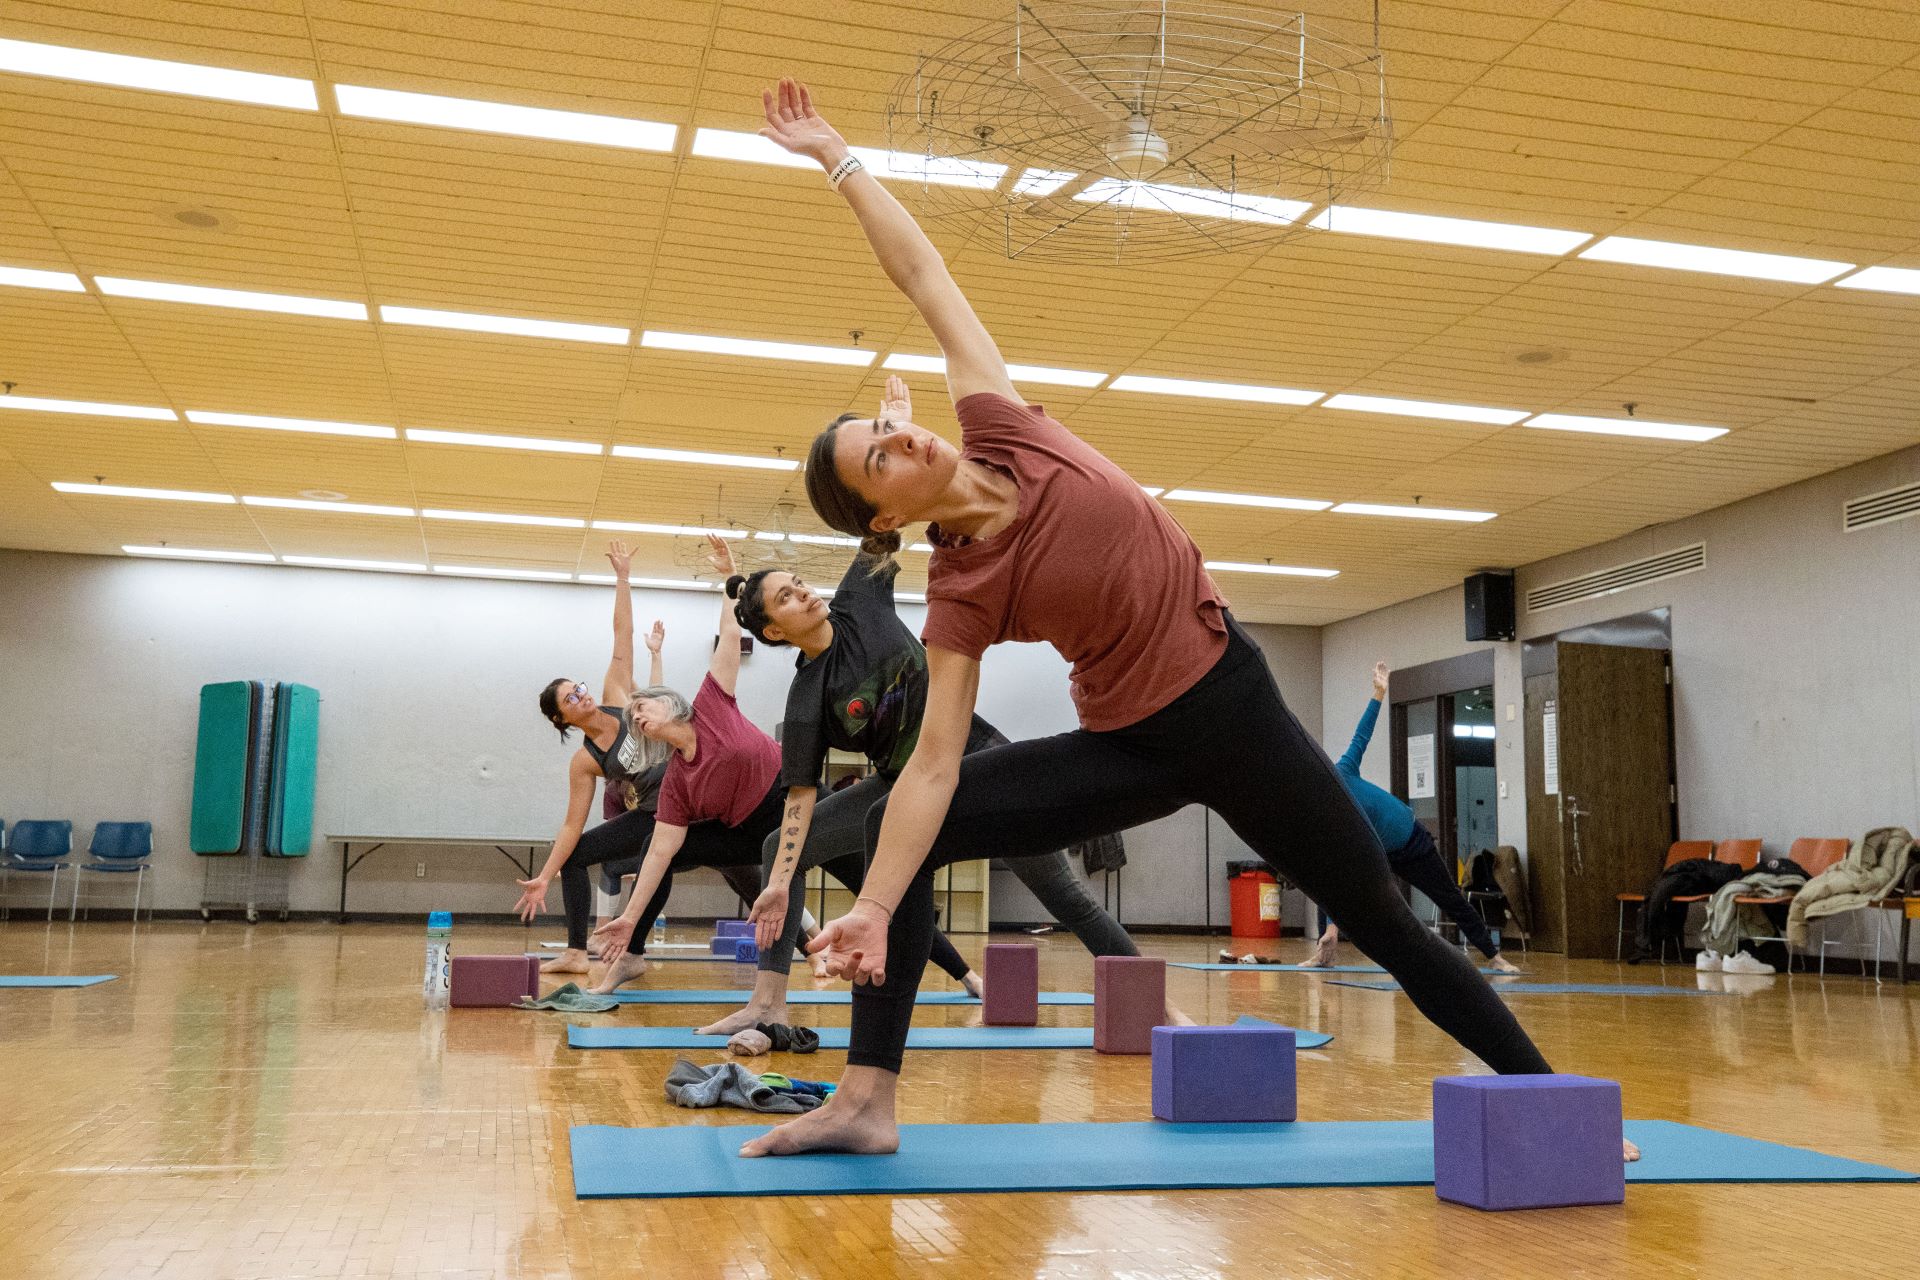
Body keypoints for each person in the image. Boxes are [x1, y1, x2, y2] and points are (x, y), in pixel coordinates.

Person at [737, 79, 1633, 1164]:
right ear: (884, 513)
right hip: (1133, 744)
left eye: (889, 436)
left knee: (1388, 922)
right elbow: (929, 768)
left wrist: (839, 157)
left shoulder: (1001, 422)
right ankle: (869, 1098)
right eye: (881, 462)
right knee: (893, 826)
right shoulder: (964, 592)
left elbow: (925, 276)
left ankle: (1551, 1102)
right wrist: (876, 904)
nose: (908, 448)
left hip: (1237, 706)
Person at [699, 378, 1148, 1038]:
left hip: (982, 763)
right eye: (788, 599)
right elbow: (798, 800)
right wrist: (781, 878)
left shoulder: (861, 601)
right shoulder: (807, 698)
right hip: (905, 786)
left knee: (1067, 896)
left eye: (800, 585)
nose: (806, 596)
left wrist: (894, 425)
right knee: (776, 848)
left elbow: (884, 520)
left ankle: (1147, 1007)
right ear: (773, 631)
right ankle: (769, 1000)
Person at [513, 540, 765, 982]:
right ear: (562, 717)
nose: (582, 694)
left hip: (693, 796)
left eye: (579, 686)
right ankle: (577, 951)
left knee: (744, 872)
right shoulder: (584, 761)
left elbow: (621, 636)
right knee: (578, 855)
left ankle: (809, 943)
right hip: (654, 814)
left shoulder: (615, 695)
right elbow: (572, 826)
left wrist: (623, 578)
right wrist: (544, 875)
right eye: (571, 698)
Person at [587, 536, 826, 994]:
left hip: (789, 799)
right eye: (633, 717)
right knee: (659, 850)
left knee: (853, 856)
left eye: (642, 708)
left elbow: (731, 634)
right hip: (742, 829)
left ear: (668, 705)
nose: (636, 716)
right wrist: (628, 918)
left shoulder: (712, 702)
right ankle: (631, 955)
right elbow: (659, 852)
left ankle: (964, 972)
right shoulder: (676, 782)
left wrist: (730, 577)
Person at [1302, 662, 1521, 974]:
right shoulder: (1327, 818)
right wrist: (1332, 928)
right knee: (1329, 876)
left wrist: (1379, 692)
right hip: (1381, 853)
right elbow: (1340, 871)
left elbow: (1362, 733)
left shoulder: (1344, 770)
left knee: (1449, 897)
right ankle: (1329, 945)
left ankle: (1493, 955)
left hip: (1412, 840)